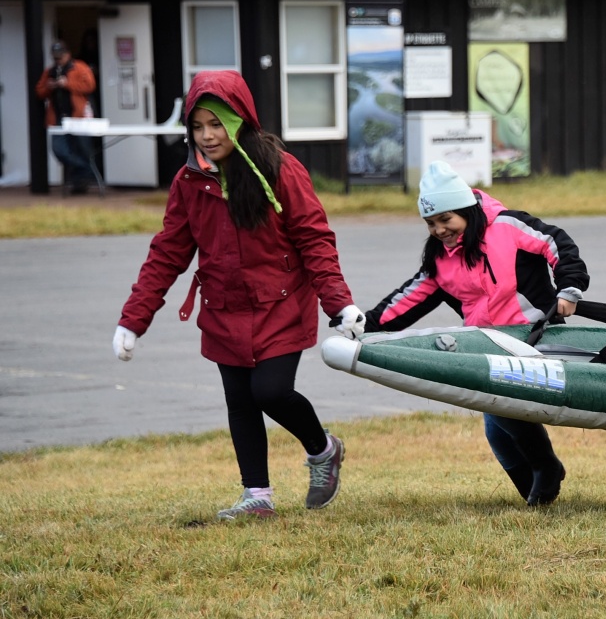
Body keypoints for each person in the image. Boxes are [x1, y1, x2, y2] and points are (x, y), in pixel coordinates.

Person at [111, 70, 365, 521]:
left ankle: (323, 450)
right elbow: (167, 253)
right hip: (224, 308)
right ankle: (257, 496)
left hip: (281, 303)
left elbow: (314, 239)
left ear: (240, 121)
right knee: (240, 400)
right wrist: (134, 319)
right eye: (197, 126)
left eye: (217, 124)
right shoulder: (189, 181)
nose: (207, 136)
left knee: (270, 391)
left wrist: (338, 302)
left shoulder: (282, 170)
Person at [363, 161, 589, 507]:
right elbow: (408, 299)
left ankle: (546, 469)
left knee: (500, 408)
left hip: (531, 334)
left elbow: (556, 243)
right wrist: (364, 326)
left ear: (468, 211)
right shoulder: (440, 259)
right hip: (484, 341)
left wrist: (569, 288)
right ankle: (537, 497)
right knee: (494, 428)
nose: (439, 230)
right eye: (431, 223)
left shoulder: (508, 226)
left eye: (446, 220)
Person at [35, 41, 96, 194]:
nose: (58, 61)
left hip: (78, 116)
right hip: (58, 117)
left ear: (67, 55)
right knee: (59, 150)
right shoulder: (50, 71)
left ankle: (80, 184)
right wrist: (49, 86)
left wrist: (67, 83)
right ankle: (86, 169)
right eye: (55, 58)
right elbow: (39, 91)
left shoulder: (79, 67)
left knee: (83, 148)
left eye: (60, 57)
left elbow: (89, 86)